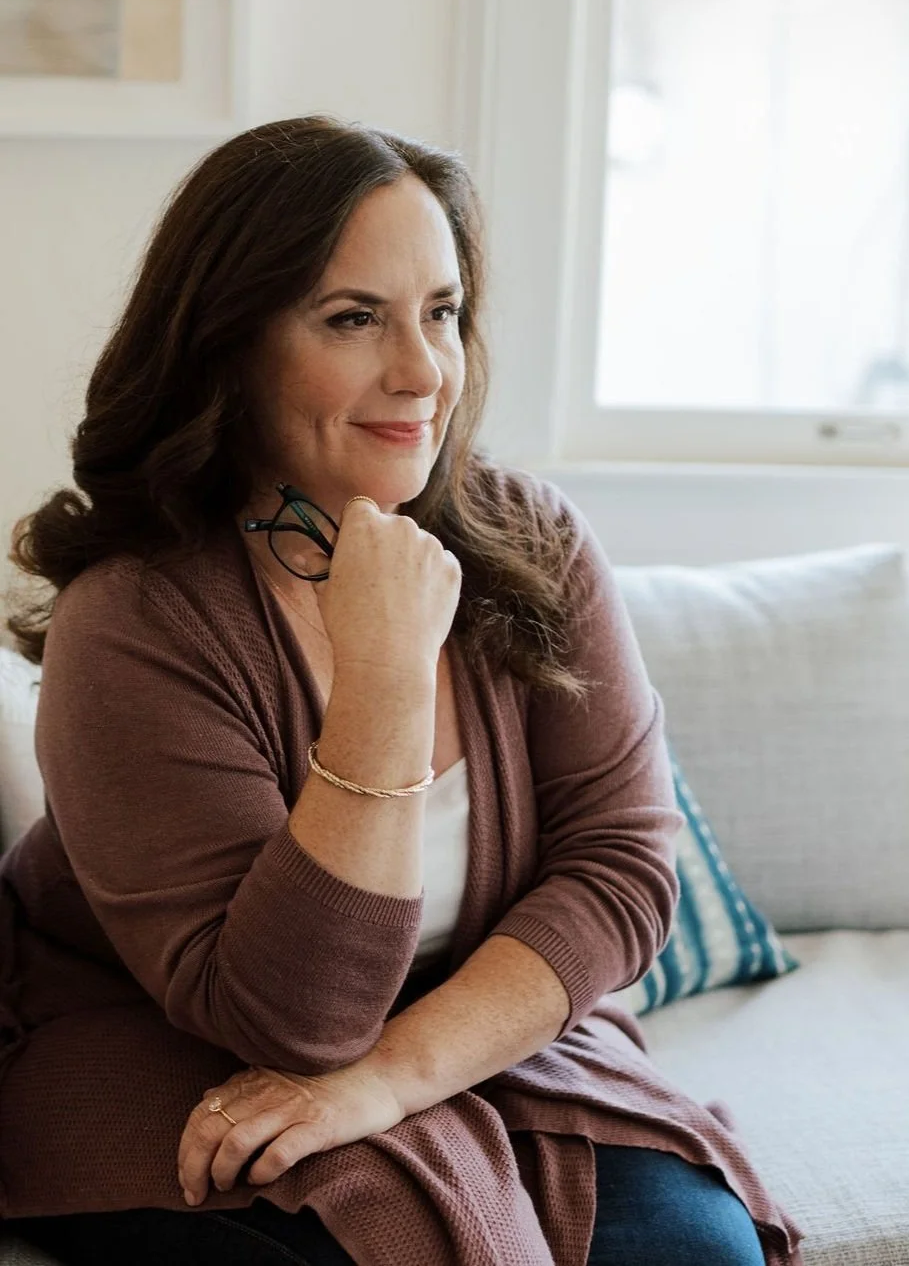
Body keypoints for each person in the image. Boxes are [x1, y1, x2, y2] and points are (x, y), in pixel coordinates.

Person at [0, 116, 804, 1266]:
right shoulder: (134, 620)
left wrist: (389, 1081)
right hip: (189, 1065)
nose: (423, 371)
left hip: (490, 1039)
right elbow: (291, 1022)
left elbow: (624, 871)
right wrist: (380, 684)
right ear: (229, 344)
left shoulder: (532, 538)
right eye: (352, 319)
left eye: (442, 312)